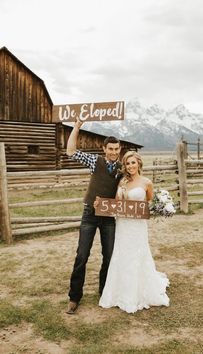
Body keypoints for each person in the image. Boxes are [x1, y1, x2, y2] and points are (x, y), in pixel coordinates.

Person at [97, 151, 170, 313]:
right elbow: (117, 204)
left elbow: (149, 202)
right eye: (128, 163)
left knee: (138, 254)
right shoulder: (122, 181)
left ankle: (140, 291)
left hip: (138, 225)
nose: (130, 166)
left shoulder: (146, 182)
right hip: (123, 224)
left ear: (139, 164)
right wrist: (106, 202)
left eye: (133, 163)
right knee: (122, 254)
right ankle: (120, 292)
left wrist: (159, 207)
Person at [66, 118, 122, 314]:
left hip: (108, 217)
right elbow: (71, 151)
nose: (114, 152)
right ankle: (74, 297)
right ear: (104, 149)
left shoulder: (122, 169)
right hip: (90, 214)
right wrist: (77, 127)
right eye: (111, 149)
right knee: (82, 255)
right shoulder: (94, 161)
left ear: (119, 150)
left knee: (109, 256)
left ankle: (104, 292)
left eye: (117, 149)